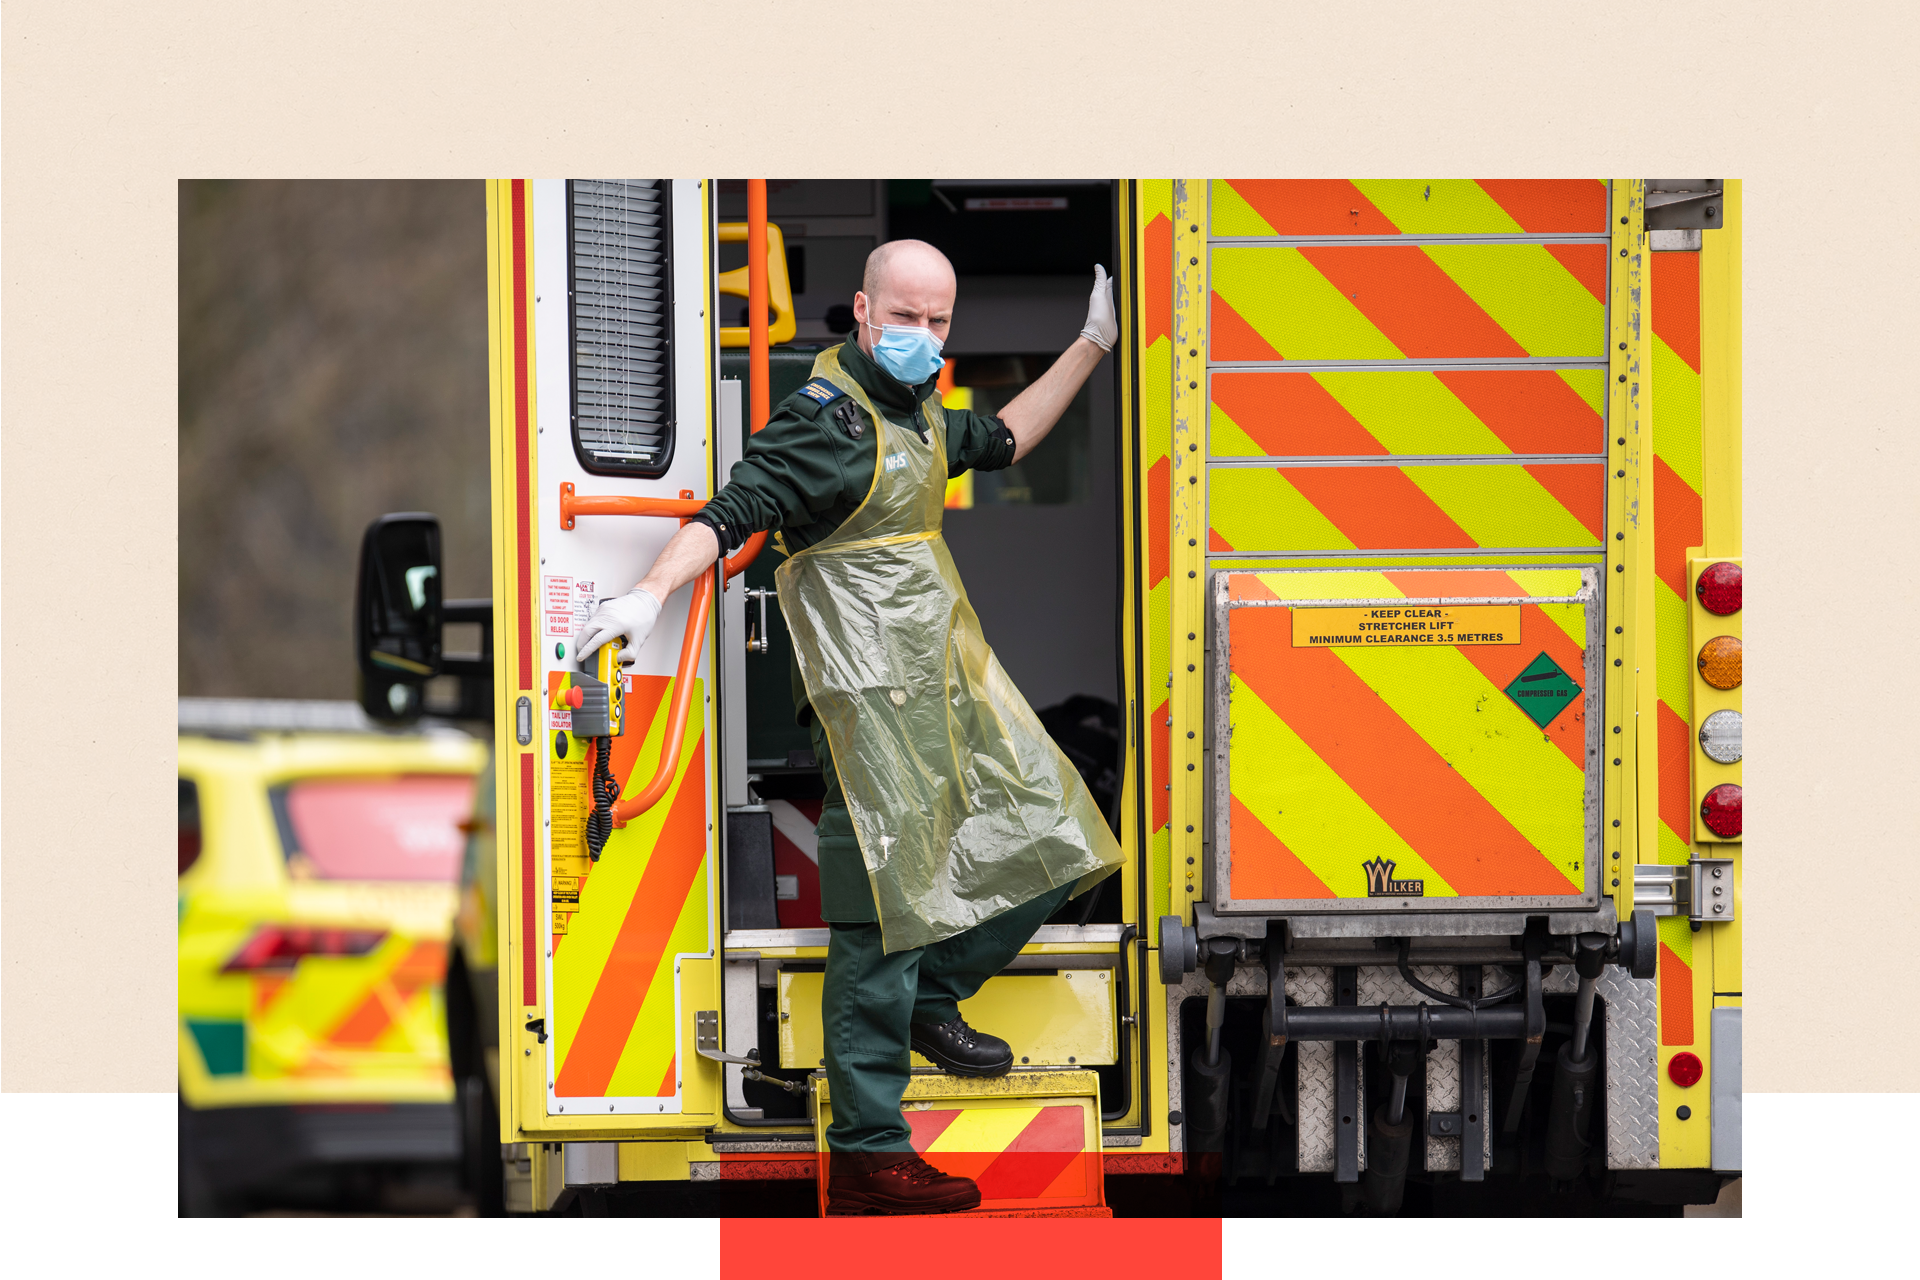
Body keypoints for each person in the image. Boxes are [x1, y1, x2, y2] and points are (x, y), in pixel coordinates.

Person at [573, 240, 1124, 1215]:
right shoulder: (825, 423)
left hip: (943, 683)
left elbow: (1004, 436)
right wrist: (649, 594)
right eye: (904, 316)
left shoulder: (912, 417)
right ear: (864, 313)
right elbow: (731, 508)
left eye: (938, 321)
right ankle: (873, 1149)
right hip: (863, 702)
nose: (922, 336)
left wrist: (1090, 343)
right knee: (878, 915)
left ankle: (932, 1001)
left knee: (1060, 833)